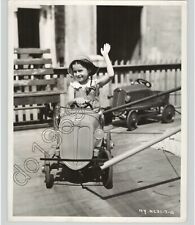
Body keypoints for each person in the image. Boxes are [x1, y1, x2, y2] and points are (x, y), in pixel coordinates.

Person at [67, 43, 114, 109]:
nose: (77, 74)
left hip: (94, 115)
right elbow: (70, 102)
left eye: (80, 71)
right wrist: (76, 100)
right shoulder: (73, 86)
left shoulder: (95, 83)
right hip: (78, 115)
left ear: (88, 70)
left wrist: (105, 56)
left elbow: (111, 75)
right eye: (75, 72)